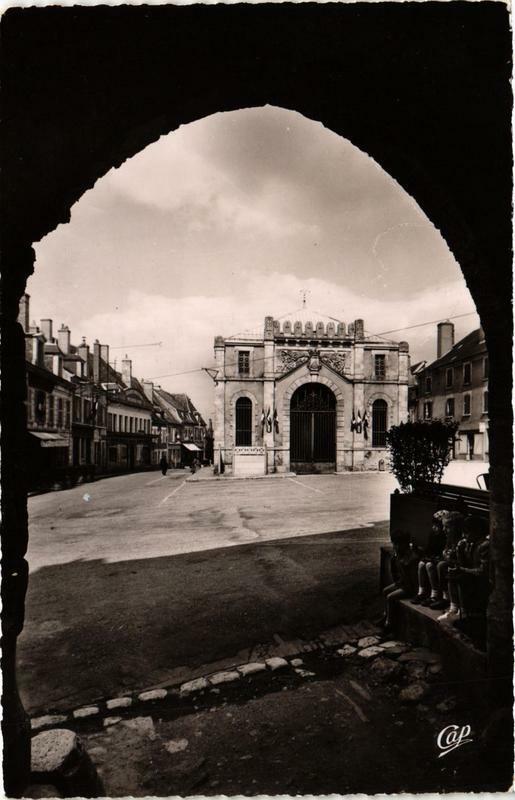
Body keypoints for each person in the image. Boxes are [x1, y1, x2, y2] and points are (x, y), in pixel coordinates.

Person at [438, 515, 490, 622]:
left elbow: (483, 571)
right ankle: (454, 608)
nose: (464, 536)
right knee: (452, 572)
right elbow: (461, 563)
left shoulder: (485, 545)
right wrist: (459, 550)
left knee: (461, 576)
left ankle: (463, 611)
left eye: (467, 533)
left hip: (483, 581)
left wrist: (462, 570)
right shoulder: (469, 543)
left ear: (477, 532)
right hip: (473, 576)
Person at [382, 529, 419, 633]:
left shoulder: (412, 558)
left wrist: (414, 593)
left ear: (405, 544)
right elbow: (395, 573)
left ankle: (389, 623)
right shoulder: (397, 556)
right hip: (402, 583)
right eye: (394, 544)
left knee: (390, 597)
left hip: (409, 587)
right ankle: (385, 614)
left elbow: (414, 581)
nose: (396, 547)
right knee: (385, 591)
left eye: (398, 544)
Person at [410, 510, 449, 606]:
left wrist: (432, 558)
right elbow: (429, 550)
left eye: (437, 525)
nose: (434, 527)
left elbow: (443, 553)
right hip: (434, 558)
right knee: (421, 563)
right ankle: (422, 592)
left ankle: (434, 595)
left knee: (429, 565)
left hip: (440, 559)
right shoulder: (433, 534)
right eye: (433, 525)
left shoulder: (446, 537)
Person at [427, 510, 465, 611]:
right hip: (451, 562)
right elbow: (446, 551)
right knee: (431, 564)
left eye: (447, 527)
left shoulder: (462, 541)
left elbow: (461, 560)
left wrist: (449, 557)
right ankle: (437, 595)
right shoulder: (449, 538)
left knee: (441, 566)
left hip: (459, 567)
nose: (444, 530)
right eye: (444, 527)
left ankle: (448, 599)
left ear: (456, 528)